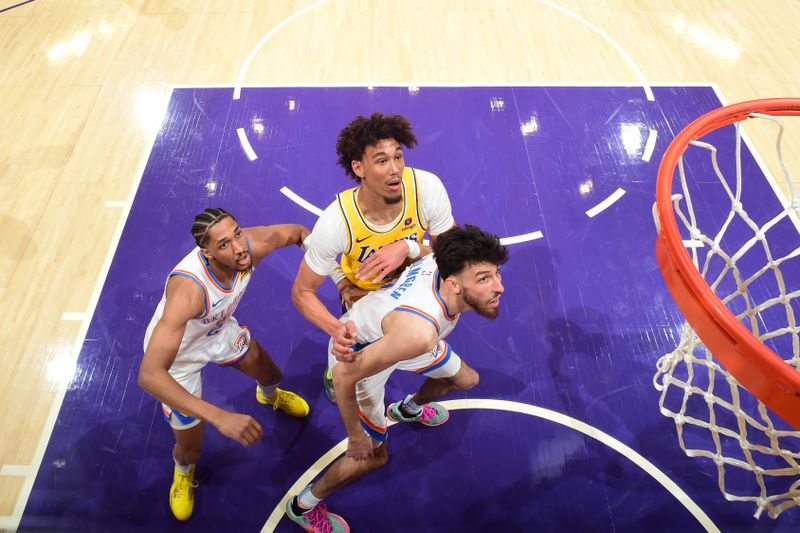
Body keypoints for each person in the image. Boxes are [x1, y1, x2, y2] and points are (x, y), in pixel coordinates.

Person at [285, 225, 508, 532]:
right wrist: (355, 436)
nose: (499, 287)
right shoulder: (419, 332)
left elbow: (427, 252)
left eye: (496, 274)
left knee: (465, 379)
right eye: (484, 279)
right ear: (453, 284)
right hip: (361, 359)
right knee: (374, 456)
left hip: (395, 336)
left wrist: (407, 246)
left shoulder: (443, 262)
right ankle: (302, 506)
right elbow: (344, 376)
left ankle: (407, 409)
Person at [139, 208, 311, 521]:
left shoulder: (251, 246)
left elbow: (300, 232)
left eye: (237, 234)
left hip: (216, 330)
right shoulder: (188, 291)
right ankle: (183, 472)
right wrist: (220, 417)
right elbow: (149, 375)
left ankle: (269, 396)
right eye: (224, 244)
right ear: (207, 253)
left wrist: (338, 275)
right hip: (178, 359)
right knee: (191, 449)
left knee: (270, 373)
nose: (238, 247)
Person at [292, 112, 455, 402]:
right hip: (364, 295)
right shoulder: (337, 221)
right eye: (382, 161)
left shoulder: (426, 189)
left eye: (398, 157)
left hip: (414, 282)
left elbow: (454, 259)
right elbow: (302, 292)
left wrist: (408, 247)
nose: (395, 169)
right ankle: (340, 369)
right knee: (357, 378)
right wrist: (337, 329)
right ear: (359, 167)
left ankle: (408, 404)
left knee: (451, 372)